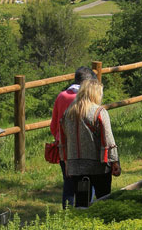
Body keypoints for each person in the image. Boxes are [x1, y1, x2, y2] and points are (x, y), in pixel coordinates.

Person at [60, 77, 121, 206]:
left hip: (76, 167)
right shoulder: (99, 112)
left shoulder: (68, 113)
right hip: (98, 166)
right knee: (103, 203)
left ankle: (79, 225)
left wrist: (66, 163)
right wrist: (115, 161)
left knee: (82, 204)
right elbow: (108, 139)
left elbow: (63, 141)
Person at [50, 67, 97, 208]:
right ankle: (85, 210)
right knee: (87, 181)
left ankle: (67, 214)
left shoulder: (61, 96)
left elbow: (54, 124)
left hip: (64, 148)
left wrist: (60, 138)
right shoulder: (87, 98)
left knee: (68, 182)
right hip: (84, 148)